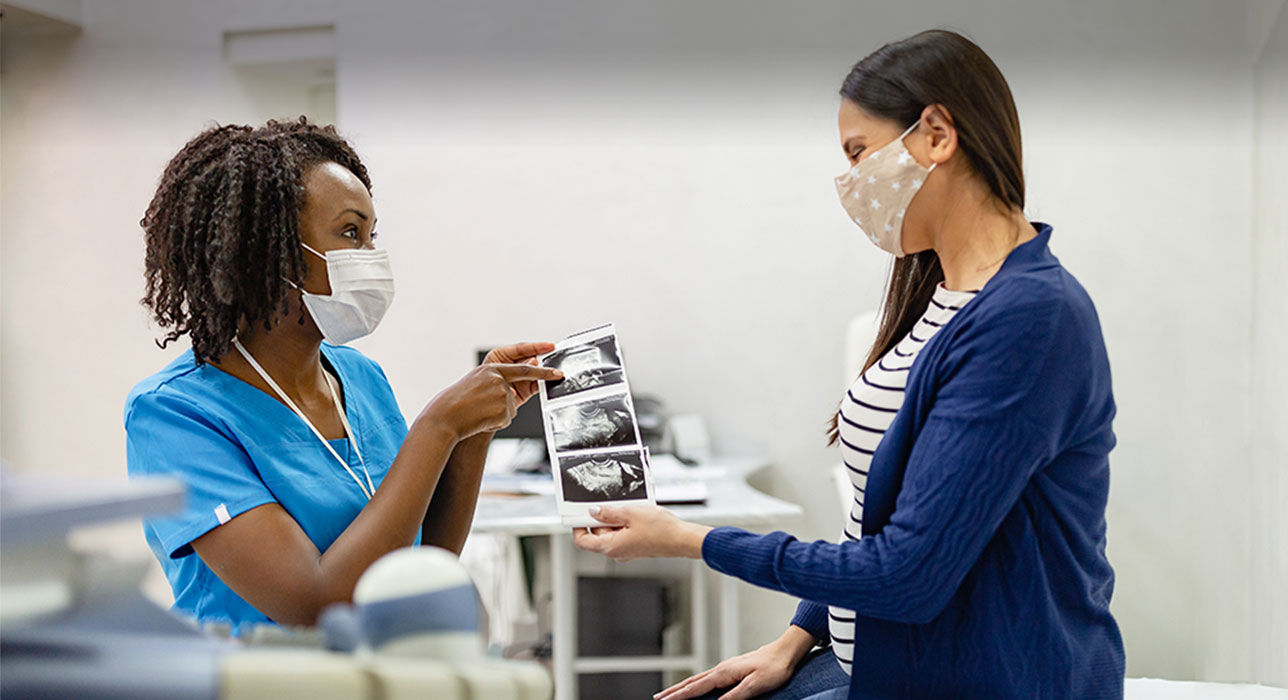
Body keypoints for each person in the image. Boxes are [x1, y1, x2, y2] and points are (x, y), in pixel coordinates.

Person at [573, 30, 1125, 700]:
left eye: (859, 152)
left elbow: (906, 573)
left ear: (937, 135)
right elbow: (881, 515)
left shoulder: (1031, 319)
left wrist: (689, 539)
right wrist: (797, 638)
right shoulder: (942, 294)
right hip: (876, 661)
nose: (851, 181)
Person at [126, 118, 561, 634]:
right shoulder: (174, 414)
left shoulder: (359, 377)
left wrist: (475, 432)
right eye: (351, 233)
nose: (371, 257)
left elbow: (422, 565)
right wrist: (438, 426)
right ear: (269, 249)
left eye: (372, 236)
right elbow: (315, 604)